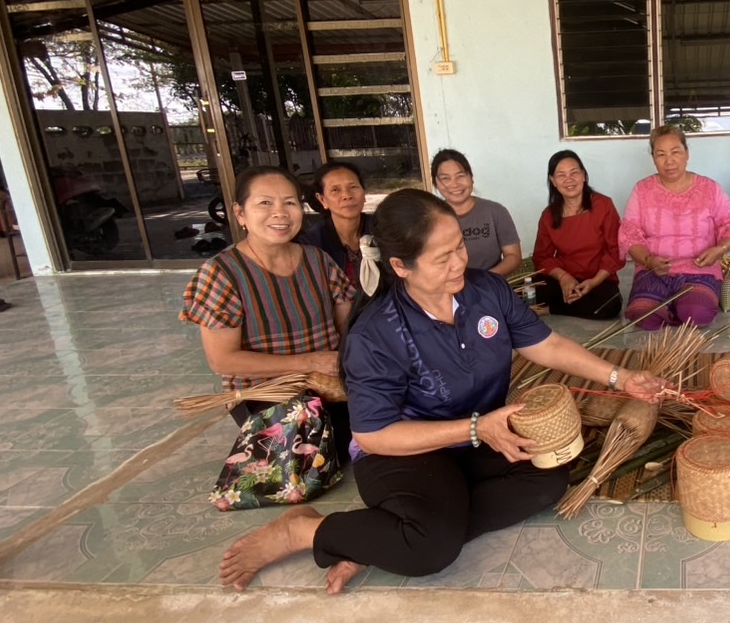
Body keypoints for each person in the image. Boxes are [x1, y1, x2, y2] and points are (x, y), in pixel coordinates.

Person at [218, 188, 665, 595]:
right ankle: (306, 531)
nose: (459, 264)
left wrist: (620, 379)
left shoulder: (486, 290)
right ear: (400, 266)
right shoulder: (376, 334)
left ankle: (382, 535)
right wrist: (474, 429)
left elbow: (545, 344)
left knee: (548, 474)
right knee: (431, 551)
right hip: (404, 453)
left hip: (477, 435)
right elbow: (374, 436)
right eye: (441, 258)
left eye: (460, 248)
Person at [182, 165, 356, 457]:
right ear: (240, 214)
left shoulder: (318, 260)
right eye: (265, 203)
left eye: (290, 203)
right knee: (312, 446)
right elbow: (223, 360)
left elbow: (347, 328)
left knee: (390, 418)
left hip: (328, 382)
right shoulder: (221, 273)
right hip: (266, 390)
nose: (281, 213)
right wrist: (308, 362)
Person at [617, 124, 730, 330]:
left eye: (676, 152)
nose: (669, 161)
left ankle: (678, 306)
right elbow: (630, 234)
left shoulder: (709, 188)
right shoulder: (642, 190)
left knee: (696, 314)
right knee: (643, 315)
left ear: (686, 154)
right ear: (653, 158)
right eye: (660, 154)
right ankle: (669, 305)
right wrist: (649, 260)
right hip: (655, 270)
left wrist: (719, 250)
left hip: (699, 269)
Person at [531, 150, 624, 320]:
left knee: (610, 304)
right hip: (564, 279)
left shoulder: (604, 205)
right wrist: (564, 277)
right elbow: (541, 257)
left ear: (584, 176)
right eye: (561, 175)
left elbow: (616, 250)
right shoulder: (549, 215)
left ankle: (553, 309)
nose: (569, 179)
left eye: (574, 172)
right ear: (553, 181)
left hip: (599, 280)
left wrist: (594, 281)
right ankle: (572, 301)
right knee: (523, 293)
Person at [430, 148, 521, 277]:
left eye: (460, 176)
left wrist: (484, 280)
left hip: (490, 287)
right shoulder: (429, 218)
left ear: (471, 178)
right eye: (445, 178)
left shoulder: (495, 211)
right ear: (436, 183)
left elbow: (513, 256)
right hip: (446, 289)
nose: (454, 184)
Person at [297, 161, 373, 284]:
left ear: (364, 193)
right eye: (335, 190)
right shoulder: (311, 243)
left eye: (353, 187)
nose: (347, 196)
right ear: (322, 200)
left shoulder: (384, 229)